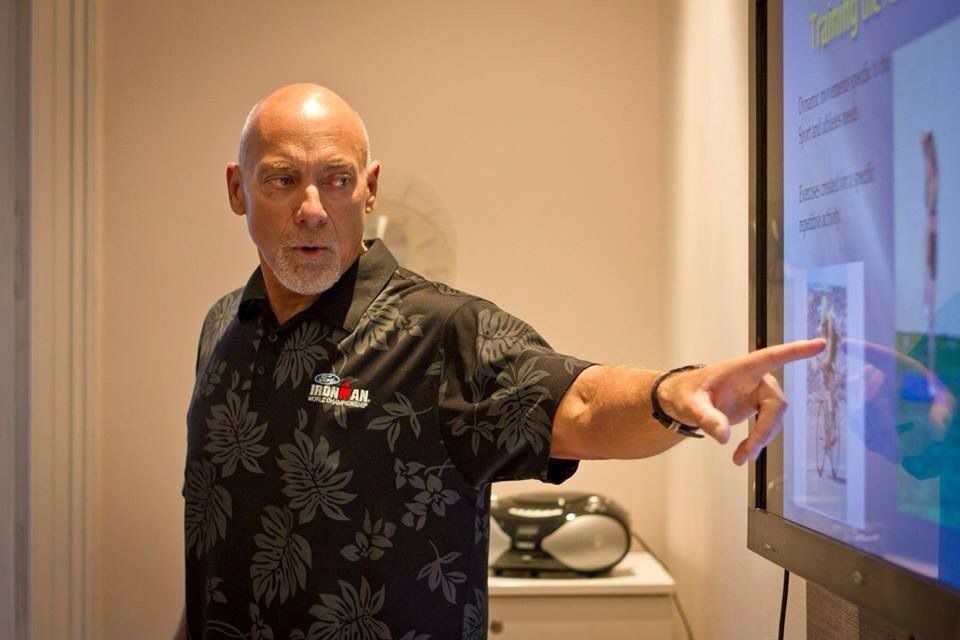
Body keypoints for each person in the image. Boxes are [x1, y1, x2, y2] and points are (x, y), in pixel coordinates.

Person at [174, 83, 823, 640]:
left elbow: (580, 402)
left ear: (369, 191)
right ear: (238, 189)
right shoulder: (222, 327)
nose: (313, 209)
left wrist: (671, 393)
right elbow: (215, 540)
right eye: (282, 179)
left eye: (337, 180)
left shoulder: (442, 333)